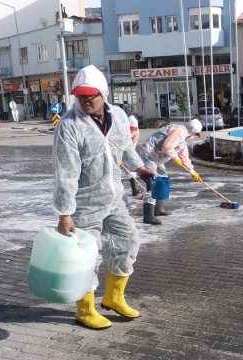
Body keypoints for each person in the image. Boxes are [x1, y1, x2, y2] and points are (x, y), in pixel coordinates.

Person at [52, 65, 155, 330]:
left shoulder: (119, 116)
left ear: (103, 94)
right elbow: (65, 173)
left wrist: (139, 167)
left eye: (91, 95)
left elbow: (125, 147)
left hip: (114, 199)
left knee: (129, 240)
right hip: (84, 205)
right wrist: (64, 214)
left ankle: (113, 297)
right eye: (80, 96)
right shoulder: (69, 126)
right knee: (89, 257)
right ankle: (85, 309)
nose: (85, 100)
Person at [139, 119, 203, 225]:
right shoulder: (179, 131)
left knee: (163, 179)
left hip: (158, 159)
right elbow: (167, 147)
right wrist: (174, 157)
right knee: (153, 182)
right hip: (149, 154)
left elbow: (183, 156)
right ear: (193, 130)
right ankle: (148, 215)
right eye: (196, 133)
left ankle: (158, 209)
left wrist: (192, 171)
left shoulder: (183, 137)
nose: (195, 136)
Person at [125, 115, 142, 196]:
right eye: (130, 130)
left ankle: (134, 189)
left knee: (131, 168)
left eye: (133, 130)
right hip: (115, 149)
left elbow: (133, 145)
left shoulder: (136, 132)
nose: (132, 132)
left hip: (128, 149)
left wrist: (130, 156)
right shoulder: (120, 130)